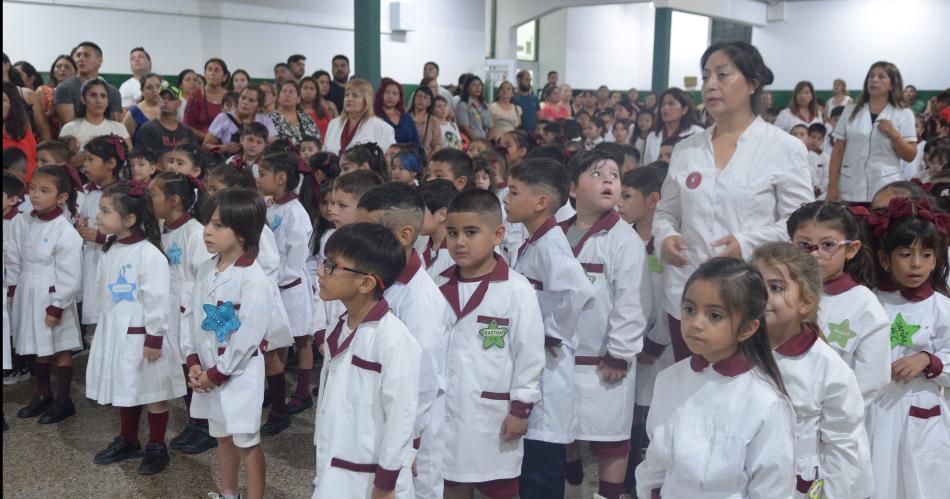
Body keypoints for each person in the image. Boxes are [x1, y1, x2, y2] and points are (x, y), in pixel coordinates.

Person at [654, 41, 813, 363]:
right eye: (705, 76)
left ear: (753, 82)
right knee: (692, 388)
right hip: (690, 294)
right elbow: (666, 211)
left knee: (742, 394)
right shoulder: (687, 149)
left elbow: (800, 226)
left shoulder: (783, 147)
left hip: (750, 297)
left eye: (723, 74)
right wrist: (666, 235)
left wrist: (746, 242)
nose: (710, 84)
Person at [636, 257, 795, 497]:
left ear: (747, 329)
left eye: (714, 315)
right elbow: (655, 465)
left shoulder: (765, 401)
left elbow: (772, 488)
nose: (696, 323)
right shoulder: (668, 379)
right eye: (689, 310)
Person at [434, 189, 545, 499]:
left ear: (498, 234)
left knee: (499, 486)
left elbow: (530, 355)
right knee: (451, 481)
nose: (459, 242)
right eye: (453, 233)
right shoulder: (436, 285)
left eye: (471, 232)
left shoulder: (516, 289)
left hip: (494, 415)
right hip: (446, 412)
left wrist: (521, 409)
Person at [550, 150, 647, 499]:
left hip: (605, 361)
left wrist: (619, 354)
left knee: (611, 440)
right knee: (565, 431)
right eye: (597, 174)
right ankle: (573, 488)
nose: (609, 180)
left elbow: (632, 302)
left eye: (614, 175)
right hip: (559, 357)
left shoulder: (624, 240)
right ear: (573, 189)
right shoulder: (555, 235)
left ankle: (607, 495)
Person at [502, 158, 594, 499]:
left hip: (549, 369)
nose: (506, 200)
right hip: (536, 363)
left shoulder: (552, 245)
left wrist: (551, 332)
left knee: (541, 473)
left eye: (513, 192)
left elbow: (580, 291)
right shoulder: (534, 241)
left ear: (541, 202)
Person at [355, 183, 453, 499]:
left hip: (406, 437)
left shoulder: (420, 298)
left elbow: (423, 381)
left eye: (367, 230)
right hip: (372, 421)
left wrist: (407, 445)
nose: (358, 239)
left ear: (404, 236)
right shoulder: (373, 280)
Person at [82, 180, 185, 475]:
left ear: (129, 219)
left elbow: (157, 300)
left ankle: (156, 445)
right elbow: (104, 290)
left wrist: (154, 337)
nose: (98, 217)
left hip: (142, 335)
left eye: (105, 211)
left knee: (152, 391)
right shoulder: (111, 249)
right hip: (115, 331)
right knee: (125, 386)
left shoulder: (149, 254)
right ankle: (128, 439)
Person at [311, 223, 420, 499]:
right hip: (335, 466)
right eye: (325, 262)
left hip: (372, 480)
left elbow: (401, 416)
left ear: (366, 283)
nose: (320, 272)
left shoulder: (393, 339)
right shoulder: (340, 323)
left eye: (332, 266)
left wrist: (385, 484)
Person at [752, 242, 868, 497]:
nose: (763, 296)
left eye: (776, 288)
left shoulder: (827, 365)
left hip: (798, 483)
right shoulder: (737, 349)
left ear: (805, 302)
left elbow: (843, 443)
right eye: (756, 286)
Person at [183, 188, 272, 499]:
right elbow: (191, 317)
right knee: (222, 436)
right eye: (208, 222)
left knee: (246, 441)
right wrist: (193, 360)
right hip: (208, 371)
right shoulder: (206, 269)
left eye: (219, 225)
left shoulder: (253, 279)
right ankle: (228, 493)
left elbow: (247, 339)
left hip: (239, 375)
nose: (208, 230)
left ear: (244, 233)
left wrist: (217, 373)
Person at [866, 196, 950, 499]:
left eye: (926, 255)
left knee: (922, 484)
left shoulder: (942, 308)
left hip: (921, 412)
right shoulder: (867, 302)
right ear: (885, 258)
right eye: (905, 254)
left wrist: (929, 360)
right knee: (876, 481)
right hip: (872, 409)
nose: (916, 264)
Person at [7, 165, 82, 425]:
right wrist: (13, 289)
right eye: (33, 189)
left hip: (51, 295)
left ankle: (63, 401)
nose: (35, 195)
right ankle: (43, 394)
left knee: (59, 347)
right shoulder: (22, 220)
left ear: (61, 197)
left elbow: (70, 273)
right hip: (29, 290)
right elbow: (14, 257)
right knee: (39, 347)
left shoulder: (65, 231)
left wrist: (57, 306)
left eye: (44, 191)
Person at [254, 153, 317, 434]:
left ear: (280, 178)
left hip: (289, 287)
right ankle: (274, 394)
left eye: (262, 174)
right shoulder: (270, 206)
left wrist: (276, 279)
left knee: (300, 339)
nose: (258, 179)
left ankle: (302, 391)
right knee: (275, 345)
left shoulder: (296, 212)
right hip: (273, 287)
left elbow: (295, 257)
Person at [827, 62, 917, 203]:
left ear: (892, 85)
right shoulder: (850, 110)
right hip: (850, 189)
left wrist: (894, 135)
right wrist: (832, 186)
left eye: (881, 77)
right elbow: (838, 150)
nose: (874, 80)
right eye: (871, 76)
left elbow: (910, 155)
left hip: (885, 189)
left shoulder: (903, 113)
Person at [54, 42, 123, 124]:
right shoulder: (64, 88)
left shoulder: (113, 91)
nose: (81, 59)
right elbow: (70, 129)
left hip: (106, 136)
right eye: (78, 55)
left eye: (86, 55)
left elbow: (114, 126)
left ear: (99, 61)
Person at [323, 79, 395, 155]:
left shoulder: (382, 128)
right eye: (347, 95)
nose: (349, 99)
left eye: (355, 95)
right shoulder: (333, 124)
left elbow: (391, 158)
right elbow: (324, 154)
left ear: (366, 100)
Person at [58, 79, 131, 150]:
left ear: (107, 101)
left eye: (103, 96)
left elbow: (130, 158)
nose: (99, 100)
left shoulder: (119, 128)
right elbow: (64, 159)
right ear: (83, 99)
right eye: (93, 95)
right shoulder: (70, 128)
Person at [203, 86, 277, 154]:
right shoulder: (223, 118)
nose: (245, 102)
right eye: (243, 98)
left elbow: (274, 146)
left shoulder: (265, 121)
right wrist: (224, 148)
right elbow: (205, 146)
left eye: (251, 100)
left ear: (259, 107)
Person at [641, 87, 703, 163]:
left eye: (671, 104)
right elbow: (647, 165)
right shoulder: (653, 136)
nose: (665, 108)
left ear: (684, 110)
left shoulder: (698, 133)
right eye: (663, 104)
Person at [137, 84, 198, 153]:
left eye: (170, 99)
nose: (165, 101)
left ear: (179, 103)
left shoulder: (187, 131)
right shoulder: (148, 128)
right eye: (162, 98)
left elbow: (193, 156)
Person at [415, 179, 456, 279]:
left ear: (442, 214)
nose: (413, 218)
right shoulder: (424, 245)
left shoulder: (454, 256)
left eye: (419, 212)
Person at [184, 58, 230, 143]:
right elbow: (186, 126)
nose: (212, 73)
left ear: (224, 77)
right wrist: (209, 139)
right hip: (198, 145)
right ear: (205, 74)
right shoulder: (195, 96)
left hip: (226, 146)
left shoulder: (230, 98)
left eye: (216, 71)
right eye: (209, 70)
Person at [376, 78, 421, 151]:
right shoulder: (375, 117)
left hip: (407, 158)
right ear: (381, 95)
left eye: (394, 93)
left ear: (399, 97)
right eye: (387, 92)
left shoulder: (407, 118)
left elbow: (416, 142)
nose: (390, 96)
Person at [269, 80, 319, 146]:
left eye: (291, 92)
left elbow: (317, 142)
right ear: (278, 98)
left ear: (298, 99)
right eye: (284, 91)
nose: (287, 94)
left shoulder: (307, 119)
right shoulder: (270, 119)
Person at [3, 81, 37, 179]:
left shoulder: (23, 133)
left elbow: (31, 167)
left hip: (21, 189)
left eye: (3, 100)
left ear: (12, 105)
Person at [121, 73, 163, 148]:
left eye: (158, 86)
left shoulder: (168, 108)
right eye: (149, 87)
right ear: (142, 91)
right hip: (141, 157)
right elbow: (124, 139)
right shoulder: (134, 111)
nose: (155, 90)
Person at [455, 75, 493, 142]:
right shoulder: (463, 105)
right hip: (471, 141)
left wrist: (488, 142)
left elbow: (490, 127)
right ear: (467, 88)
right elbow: (465, 128)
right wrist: (478, 142)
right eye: (474, 85)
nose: (478, 87)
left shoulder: (484, 105)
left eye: (479, 85)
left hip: (485, 141)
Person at [409, 86, 443, 158]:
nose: (421, 99)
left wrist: (427, 161)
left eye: (425, 97)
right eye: (419, 96)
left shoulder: (433, 120)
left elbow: (437, 145)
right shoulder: (405, 117)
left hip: (425, 160)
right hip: (405, 159)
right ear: (414, 98)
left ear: (430, 102)